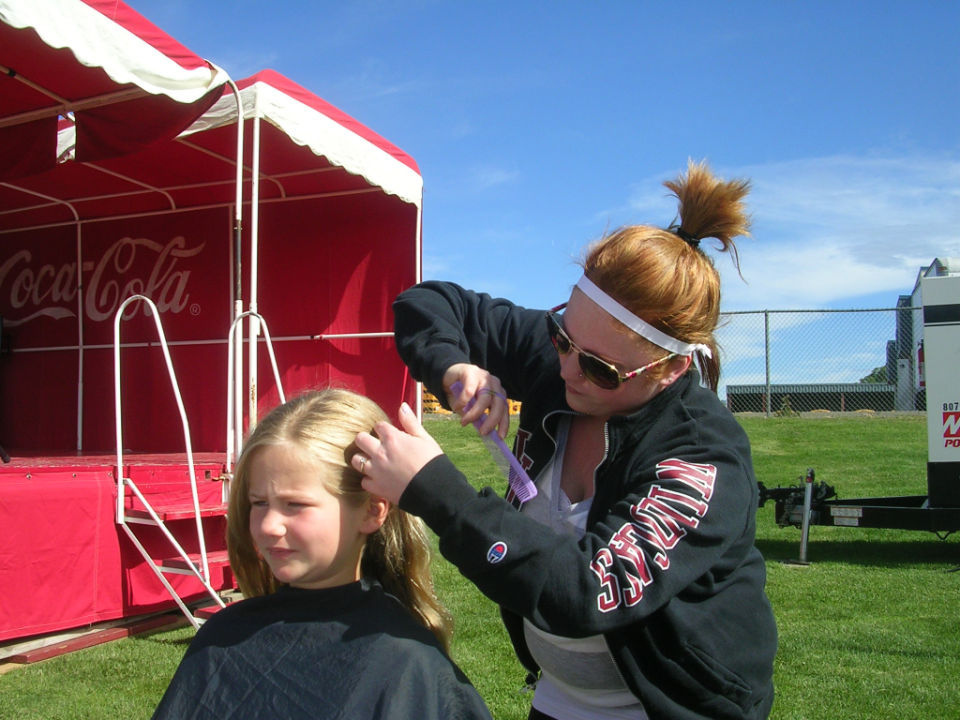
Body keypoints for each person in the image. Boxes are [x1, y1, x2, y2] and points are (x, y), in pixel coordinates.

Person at [352, 160, 778, 720]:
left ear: (669, 371)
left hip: (674, 706)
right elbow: (427, 302)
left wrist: (436, 492)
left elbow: (585, 590)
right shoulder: (563, 359)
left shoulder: (702, 457)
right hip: (558, 700)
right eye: (561, 336)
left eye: (601, 369)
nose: (569, 371)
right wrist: (456, 368)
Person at [152, 388, 492, 720]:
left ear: (372, 511)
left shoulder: (408, 663)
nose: (269, 525)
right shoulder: (223, 638)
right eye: (259, 503)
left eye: (295, 505)